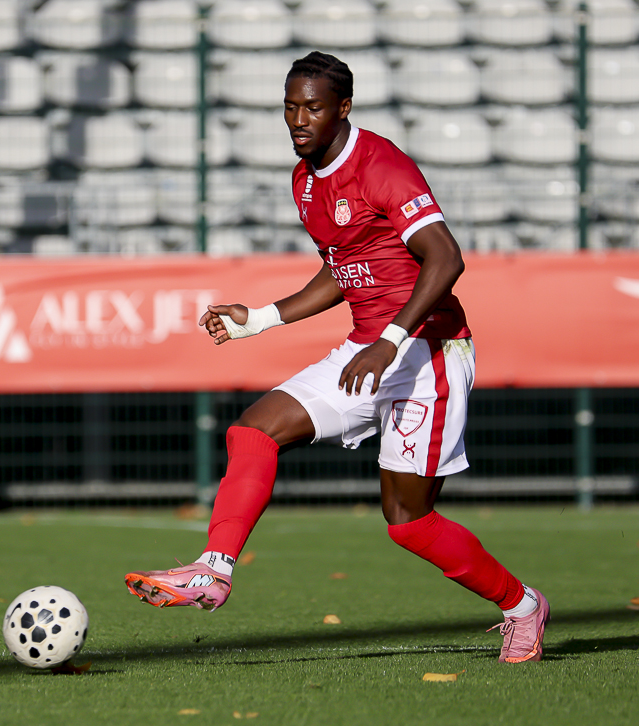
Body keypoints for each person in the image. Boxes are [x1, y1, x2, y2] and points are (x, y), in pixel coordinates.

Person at [125, 51, 549, 664]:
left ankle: (522, 606)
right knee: (253, 431)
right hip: (367, 348)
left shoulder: (382, 165)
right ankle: (212, 569)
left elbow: (446, 257)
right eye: (290, 108)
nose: (299, 120)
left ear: (343, 108)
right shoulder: (305, 180)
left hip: (426, 350)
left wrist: (390, 341)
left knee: (408, 521)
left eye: (313, 108)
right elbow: (342, 269)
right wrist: (260, 319)